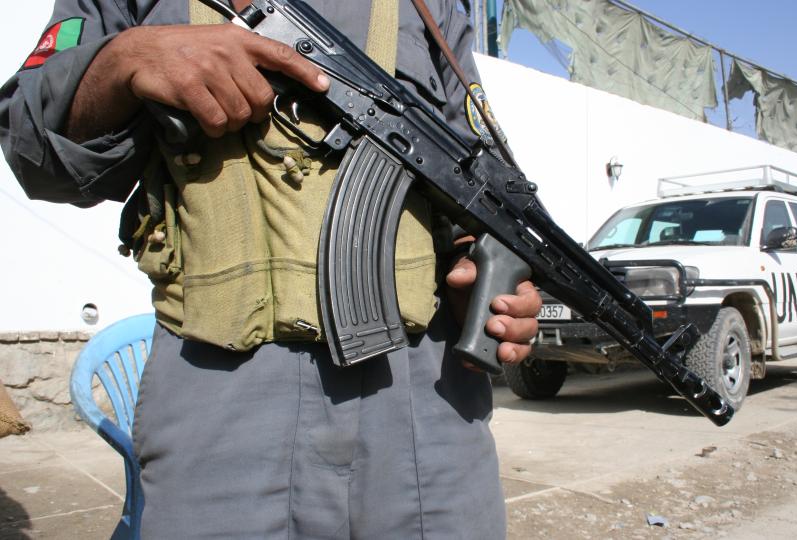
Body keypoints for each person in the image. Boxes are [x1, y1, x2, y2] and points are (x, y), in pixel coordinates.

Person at [1, 0, 541, 538]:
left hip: (426, 394)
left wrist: (485, 275)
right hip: (222, 389)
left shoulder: (432, 6)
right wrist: (125, 61)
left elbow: (476, 176)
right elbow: (31, 148)